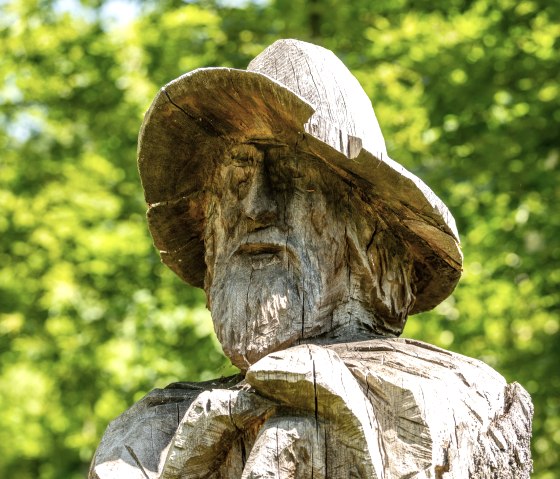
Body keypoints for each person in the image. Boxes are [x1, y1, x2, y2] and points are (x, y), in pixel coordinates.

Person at [90, 40, 531, 479]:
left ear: (376, 248)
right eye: (236, 180)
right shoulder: (146, 436)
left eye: (293, 177)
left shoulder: (453, 399)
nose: (255, 206)